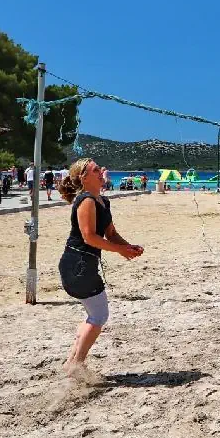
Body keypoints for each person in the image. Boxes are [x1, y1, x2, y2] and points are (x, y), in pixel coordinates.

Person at [57, 158, 144, 382]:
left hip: (83, 265)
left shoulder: (103, 201)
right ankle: (76, 364)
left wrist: (127, 247)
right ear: (84, 178)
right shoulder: (86, 200)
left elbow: (110, 233)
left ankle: (71, 362)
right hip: (77, 265)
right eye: (95, 169)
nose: (101, 171)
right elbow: (89, 237)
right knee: (99, 315)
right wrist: (119, 250)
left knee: (94, 315)